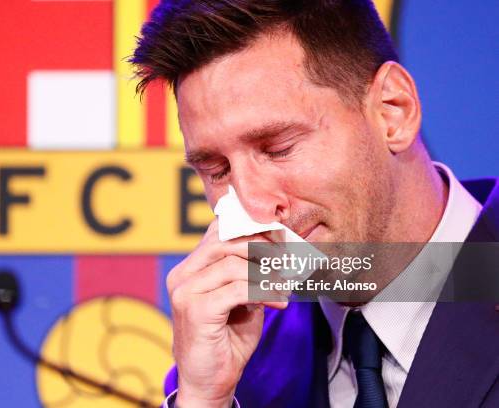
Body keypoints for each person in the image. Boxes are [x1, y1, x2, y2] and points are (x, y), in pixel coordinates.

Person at [130, 1, 499, 407]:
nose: (250, 206)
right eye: (218, 170)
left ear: (393, 112)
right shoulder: (233, 369)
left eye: (278, 148)